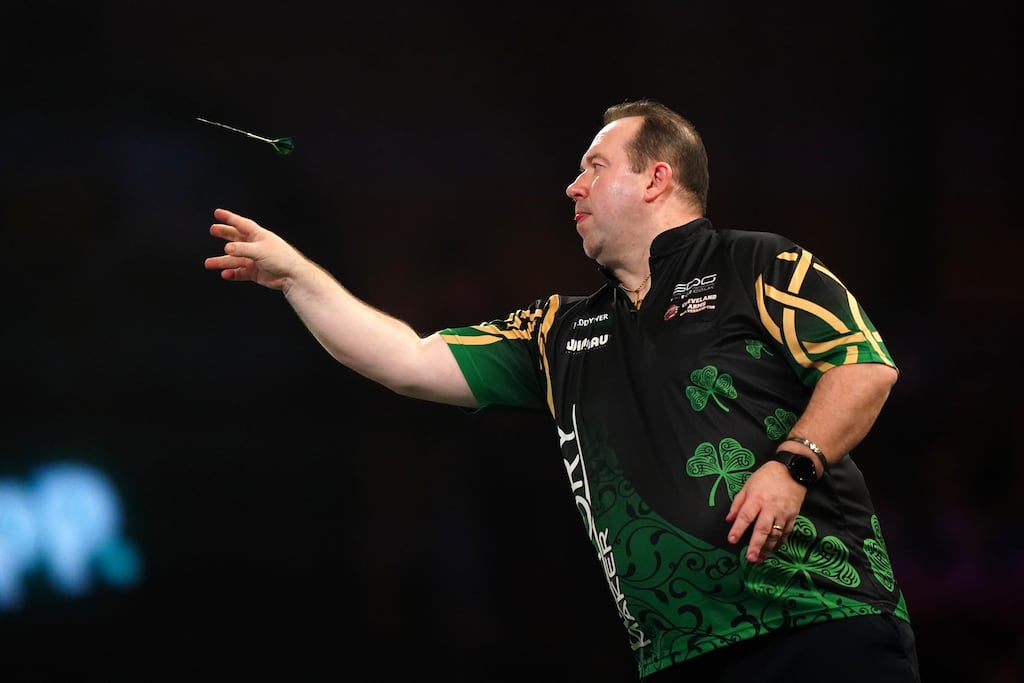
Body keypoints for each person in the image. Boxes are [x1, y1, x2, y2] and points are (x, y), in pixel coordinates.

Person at [203, 99, 920, 682]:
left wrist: (793, 462)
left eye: (595, 167)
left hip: (822, 625)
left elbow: (865, 365)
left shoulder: (755, 262)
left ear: (656, 178)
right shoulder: (558, 331)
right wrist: (295, 274)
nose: (572, 186)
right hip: (678, 654)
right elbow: (407, 360)